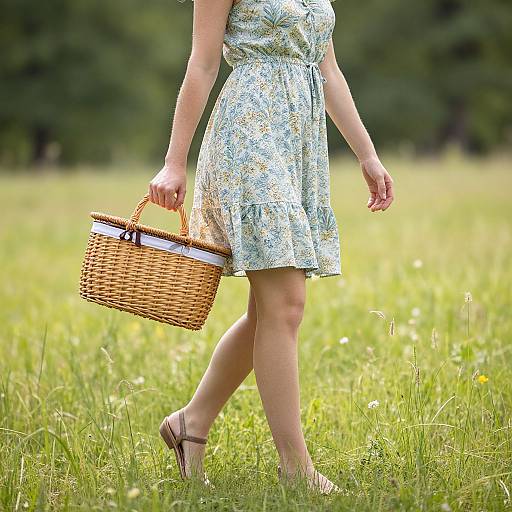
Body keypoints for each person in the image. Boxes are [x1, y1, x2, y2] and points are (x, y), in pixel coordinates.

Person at [150, 0, 394, 495]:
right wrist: (174, 162)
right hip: (250, 137)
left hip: (299, 143)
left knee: (269, 311)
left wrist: (366, 154)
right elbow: (202, 62)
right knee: (286, 306)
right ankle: (295, 467)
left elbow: (327, 68)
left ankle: (189, 423)